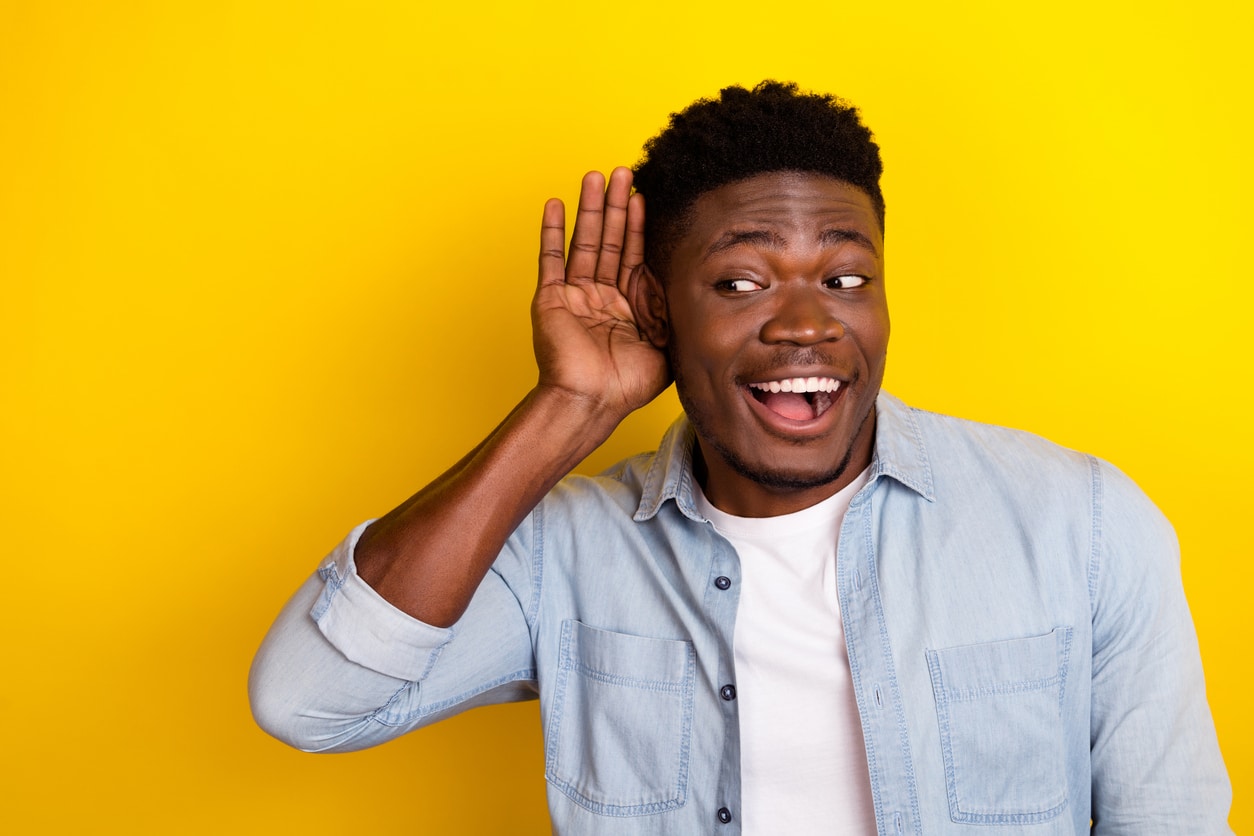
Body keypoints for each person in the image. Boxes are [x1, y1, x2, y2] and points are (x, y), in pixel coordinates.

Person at [249, 81, 1231, 834]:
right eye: (740, 279)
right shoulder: (569, 552)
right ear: (660, 304)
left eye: (846, 276)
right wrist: (567, 407)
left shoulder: (1083, 523)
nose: (806, 321)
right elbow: (308, 700)